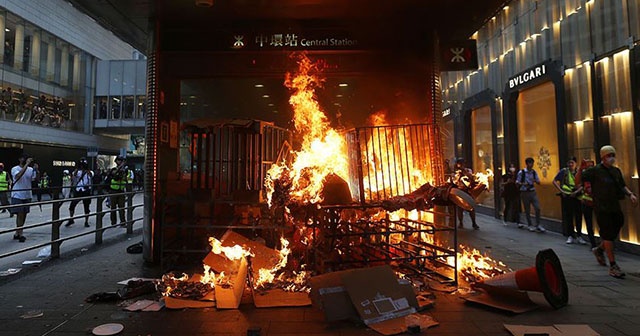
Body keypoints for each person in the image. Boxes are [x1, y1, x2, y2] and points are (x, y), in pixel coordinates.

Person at [580, 145, 638, 278]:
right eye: (608, 156)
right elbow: (581, 179)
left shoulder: (616, 171)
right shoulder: (595, 171)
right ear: (603, 157)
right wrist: (581, 169)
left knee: (615, 229)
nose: (611, 158)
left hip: (614, 206)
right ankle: (613, 265)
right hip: (601, 207)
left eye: (613, 155)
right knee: (608, 235)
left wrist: (631, 195)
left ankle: (599, 249)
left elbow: (622, 185)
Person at [553, 157, 586, 245]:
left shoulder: (579, 172)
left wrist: (576, 192)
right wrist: (561, 191)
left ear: (575, 163)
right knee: (569, 216)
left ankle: (579, 235)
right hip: (567, 196)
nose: (570, 164)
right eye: (569, 163)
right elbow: (554, 181)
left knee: (578, 216)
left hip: (577, 196)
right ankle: (570, 235)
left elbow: (583, 184)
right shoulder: (564, 172)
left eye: (572, 163)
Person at [10, 153, 38, 242]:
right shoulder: (15, 168)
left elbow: (34, 179)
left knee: (24, 214)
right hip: (17, 194)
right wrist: (26, 165)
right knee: (20, 213)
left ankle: (17, 232)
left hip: (27, 194)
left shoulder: (30, 169)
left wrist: (36, 171)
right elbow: (18, 176)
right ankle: (20, 234)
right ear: (19, 159)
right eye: (23, 158)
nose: (25, 160)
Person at [516, 157, 545, 232]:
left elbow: (538, 182)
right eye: (529, 163)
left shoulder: (534, 172)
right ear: (526, 164)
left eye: (532, 163)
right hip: (524, 192)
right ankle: (530, 224)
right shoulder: (521, 172)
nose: (531, 165)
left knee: (537, 208)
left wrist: (535, 181)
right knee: (527, 209)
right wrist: (523, 184)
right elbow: (517, 182)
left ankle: (538, 224)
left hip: (532, 191)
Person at [452, 158, 479, 230]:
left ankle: (474, 222)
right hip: (459, 190)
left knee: (471, 208)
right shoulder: (456, 172)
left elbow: (471, 178)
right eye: (460, 164)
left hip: (467, 190)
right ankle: (461, 222)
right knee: (460, 208)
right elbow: (454, 181)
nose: (461, 165)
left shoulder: (468, 170)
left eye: (463, 164)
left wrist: (465, 173)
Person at [576, 158, 597, 249]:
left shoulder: (597, 175)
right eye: (588, 166)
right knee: (589, 225)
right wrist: (580, 169)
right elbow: (577, 182)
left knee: (601, 224)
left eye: (591, 165)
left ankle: (604, 244)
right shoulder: (584, 176)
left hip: (597, 203)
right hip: (586, 203)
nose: (590, 167)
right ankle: (593, 245)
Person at [66, 158, 93, 227]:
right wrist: (77, 169)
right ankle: (71, 219)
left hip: (86, 190)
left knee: (86, 207)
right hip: (78, 190)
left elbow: (91, 175)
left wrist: (87, 169)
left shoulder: (89, 172)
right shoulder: (77, 172)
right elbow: (73, 176)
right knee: (72, 206)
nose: (82, 166)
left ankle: (86, 221)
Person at [108, 155, 130, 226]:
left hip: (121, 190)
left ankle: (123, 222)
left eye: (121, 161)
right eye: (119, 160)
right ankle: (113, 222)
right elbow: (114, 175)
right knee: (113, 208)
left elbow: (126, 179)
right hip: (113, 190)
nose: (120, 162)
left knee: (122, 208)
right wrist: (120, 168)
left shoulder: (125, 170)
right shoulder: (113, 169)